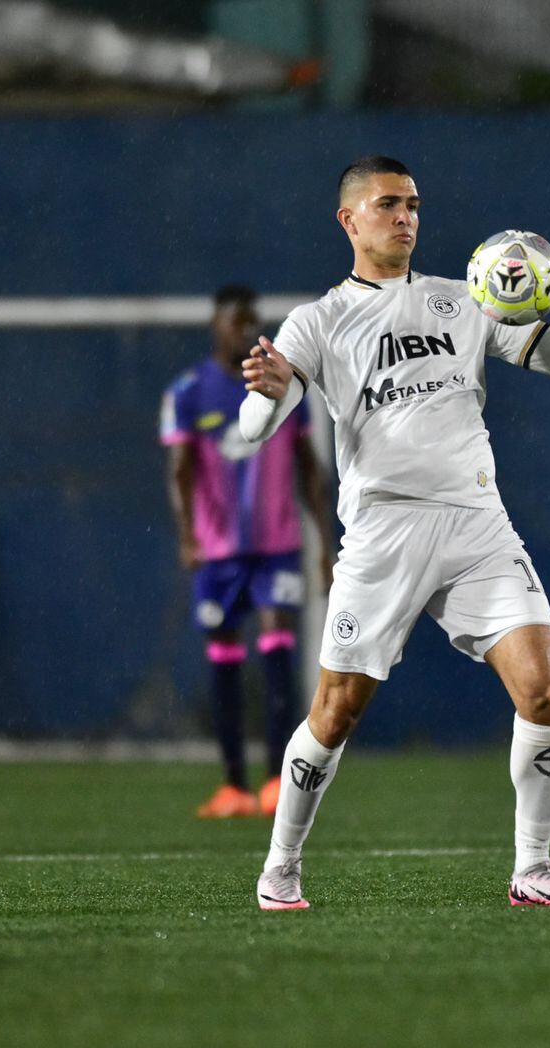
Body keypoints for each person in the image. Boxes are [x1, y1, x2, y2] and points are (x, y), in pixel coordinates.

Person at [237, 155, 550, 910]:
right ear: (349, 220)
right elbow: (255, 428)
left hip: (476, 523)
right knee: (335, 713)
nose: (406, 218)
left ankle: (533, 868)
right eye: (389, 204)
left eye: (414, 205)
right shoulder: (318, 322)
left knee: (546, 688)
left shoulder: (467, 301)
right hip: (384, 532)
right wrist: (264, 400)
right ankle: (280, 870)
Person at [161, 283, 335, 819]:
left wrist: (326, 543)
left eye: (253, 320)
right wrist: (188, 535)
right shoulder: (189, 392)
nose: (246, 330)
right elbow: (180, 471)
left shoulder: (278, 384)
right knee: (224, 659)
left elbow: (309, 466)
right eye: (238, 320)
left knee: (279, 649)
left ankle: (275, 782)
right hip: (219, 553)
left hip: (276, 545)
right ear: (216, 324)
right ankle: (233, 784)